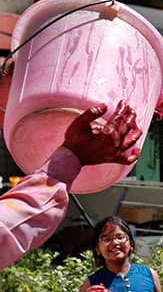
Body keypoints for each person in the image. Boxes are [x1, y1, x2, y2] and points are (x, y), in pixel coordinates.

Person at [1, 101, 142, 270]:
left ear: (132, 245)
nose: (115, 244)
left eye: (120, 238)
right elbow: (8, 226)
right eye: (107, 239)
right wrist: (74, 156)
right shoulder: (93, 283)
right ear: (97, 250)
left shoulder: (146, 275)